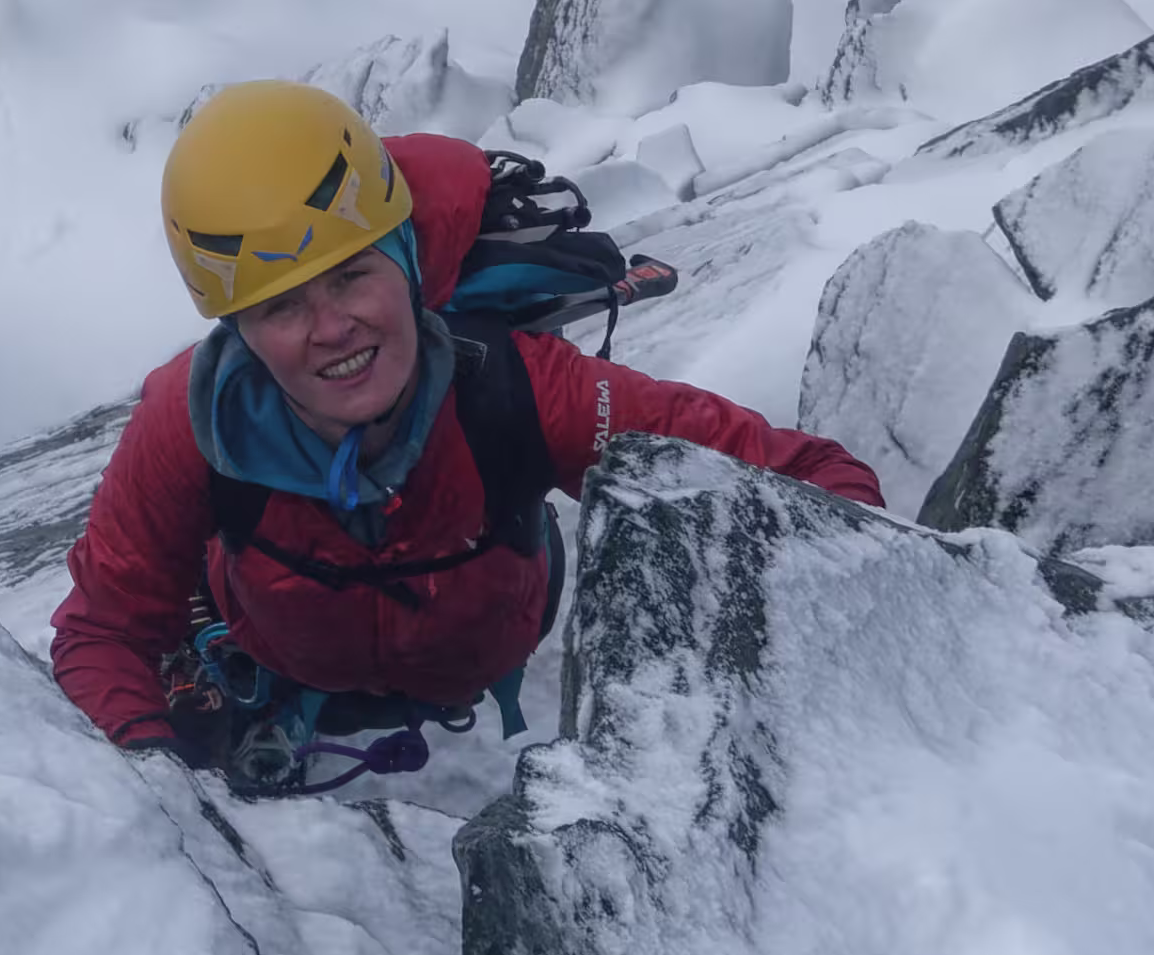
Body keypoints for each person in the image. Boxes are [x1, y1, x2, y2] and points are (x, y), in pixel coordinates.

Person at [54, 83, 881, 782]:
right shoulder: (193, 422)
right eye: (281, 306)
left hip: (474, 652)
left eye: (353, 276)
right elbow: (104, 626)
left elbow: (803, 479)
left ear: (408, 266)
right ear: (238, 329)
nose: (332, 326)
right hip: (281, 659)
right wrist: (161, 797)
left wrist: (841, 664)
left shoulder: (519, 387)